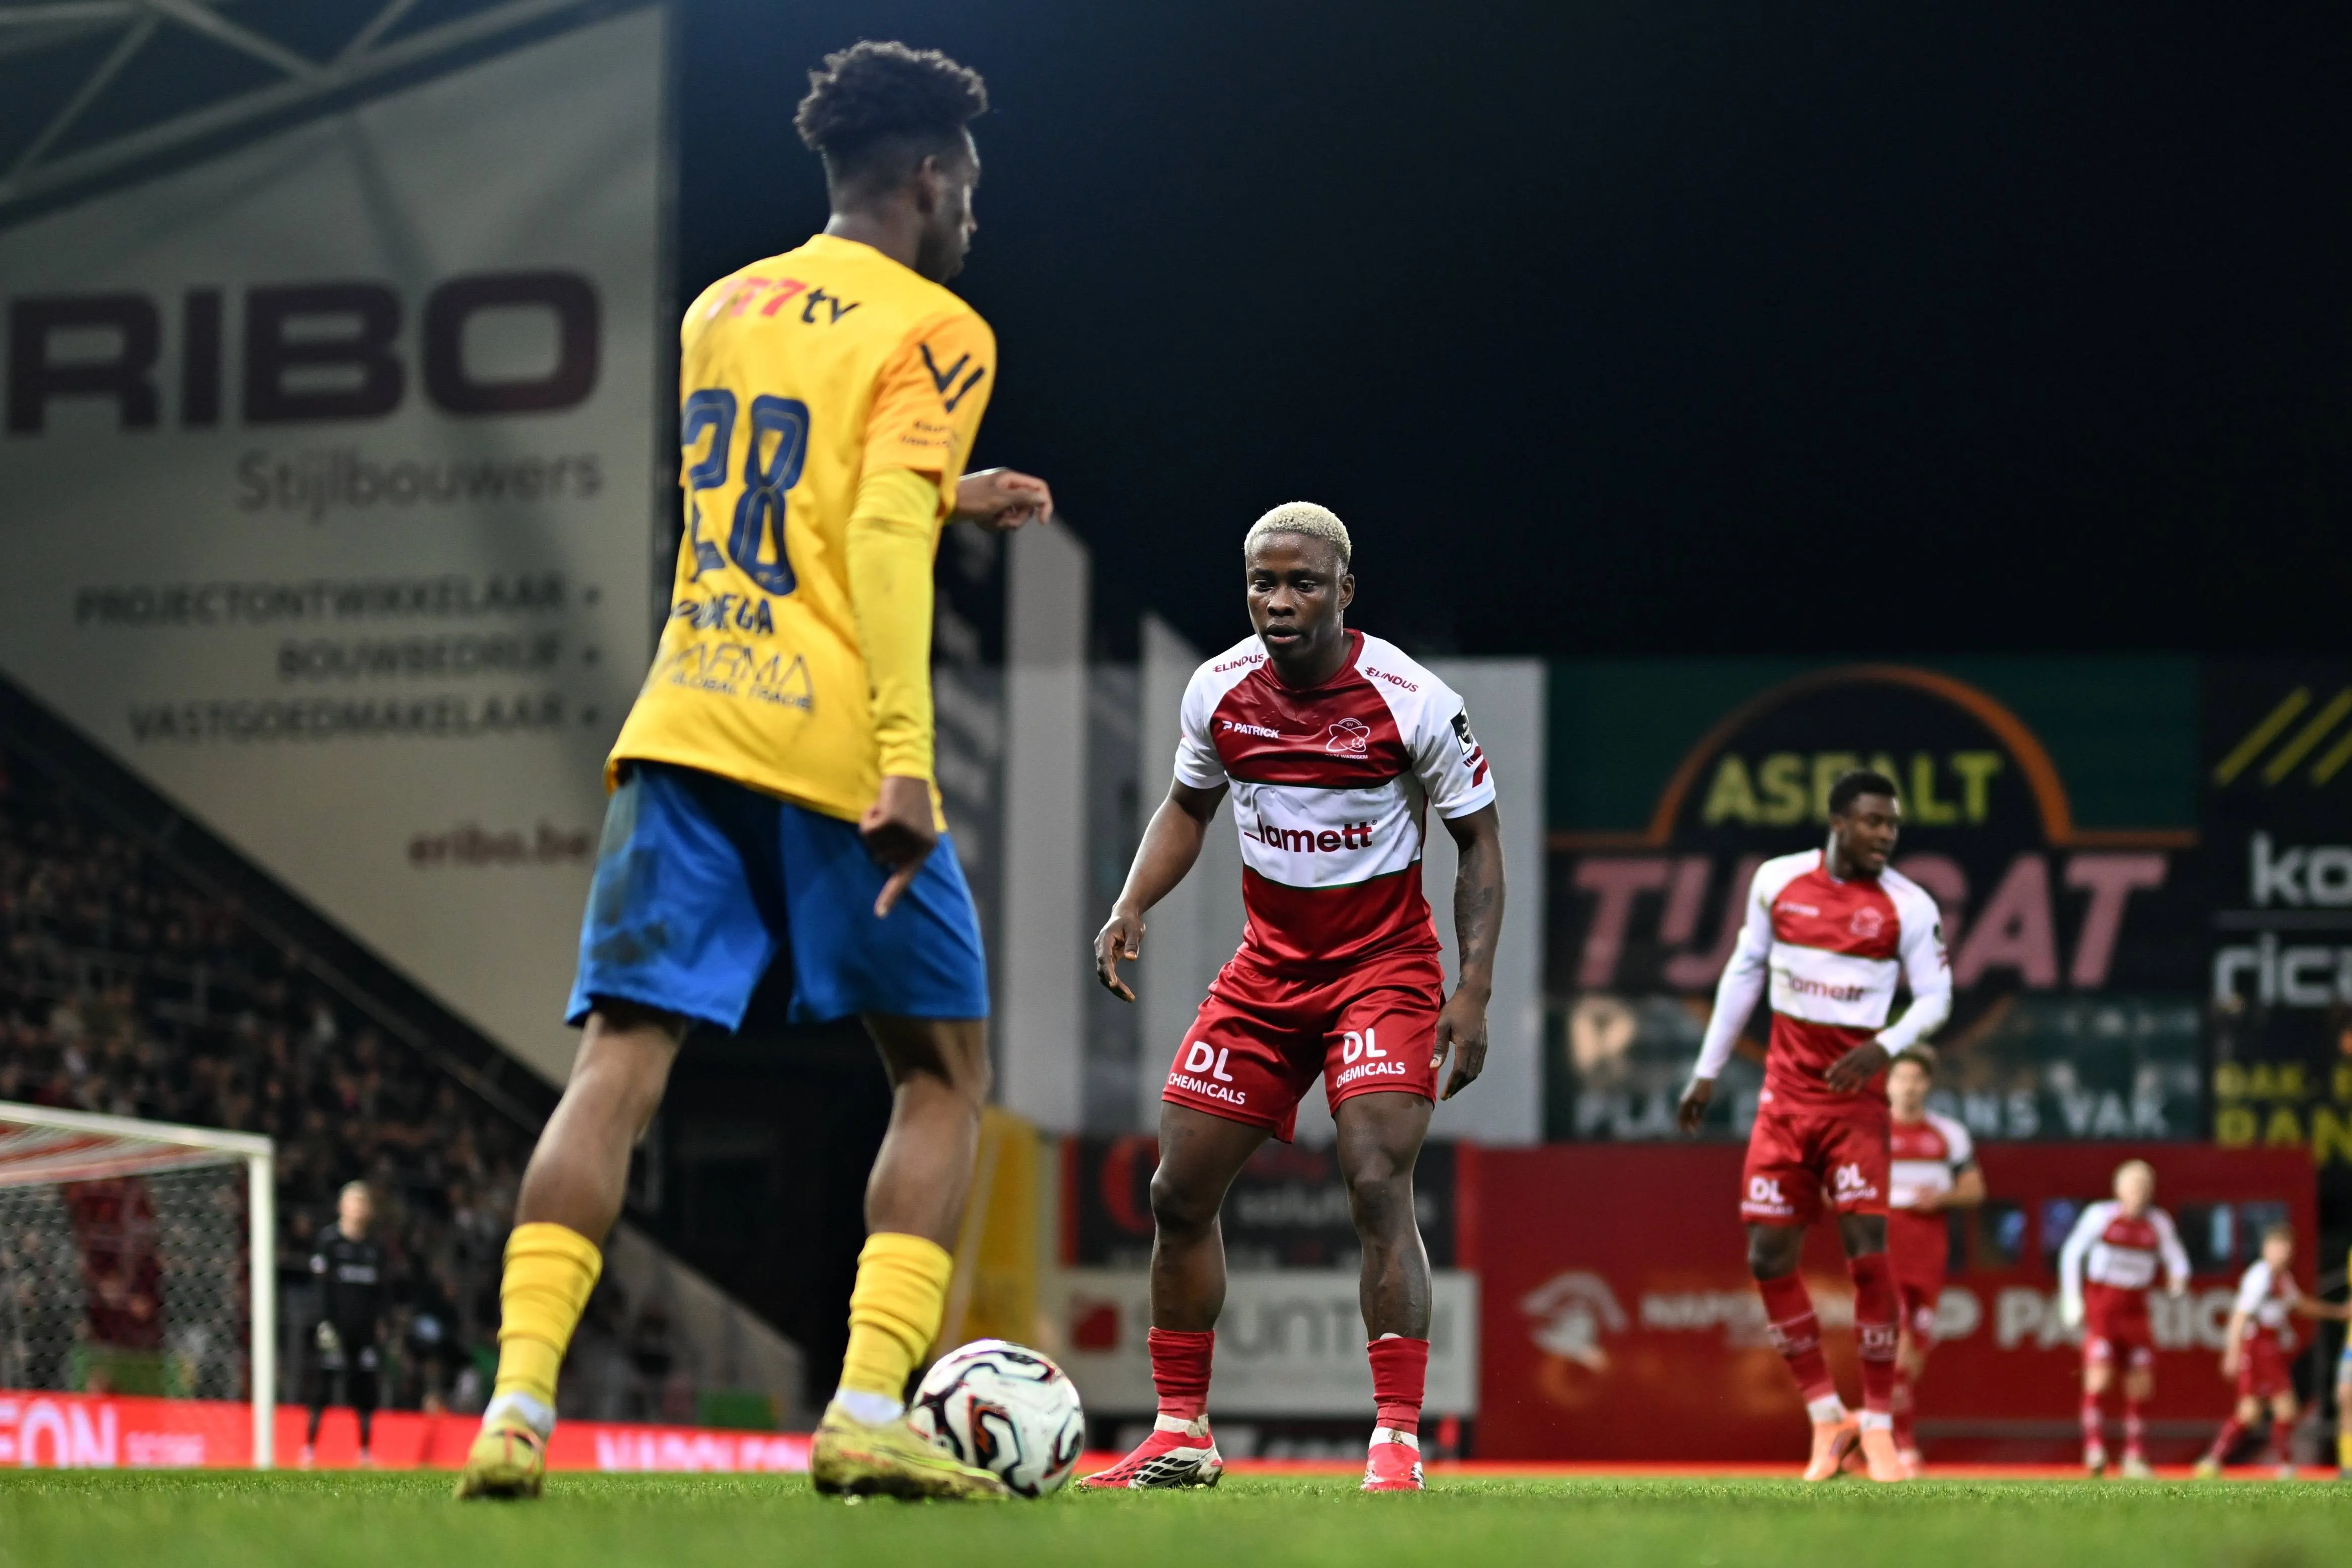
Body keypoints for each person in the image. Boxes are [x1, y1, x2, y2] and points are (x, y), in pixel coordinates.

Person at [456, 40, 1053, 1502]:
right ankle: (864, 1405)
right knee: (942, 1076)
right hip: (836, 744)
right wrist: (906, 761)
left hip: (684, 717)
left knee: (618, 1065)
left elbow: (782, 483)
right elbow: (865, 544)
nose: (971, 212)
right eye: (965, 186)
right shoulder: (939, 325)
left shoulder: (722, 303)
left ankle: (515, 1408)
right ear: (928, 176)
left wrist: (939, 495)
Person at [1078, 504, 1506, 1494]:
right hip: (1267, 973)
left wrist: (1472, 989)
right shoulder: (1218, 691)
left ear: (1345, 590)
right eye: (1263, 583)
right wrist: (1132, 899)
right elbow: (1190, 805)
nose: (1279, 601)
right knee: (1177, 1193)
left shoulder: (1413, 699)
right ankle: (1181, 1428)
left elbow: (1478, 839)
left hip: (1383, 972)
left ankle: (1396, 1438)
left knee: (1372, 1179)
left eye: (1302, 583)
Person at [1676, 769, 1951, 1484]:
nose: (1885, 836)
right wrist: (1706, 1072)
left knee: (1866, 1252)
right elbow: (1743, 971)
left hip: (1854, 1106)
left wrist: (1883, 1045)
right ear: (1837, 822)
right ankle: (1829, 1419)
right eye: (1873, 823)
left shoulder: (1907, 907)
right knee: (1768, 1260)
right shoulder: (1776, 883)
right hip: (1783, 1103)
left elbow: (1936, 997)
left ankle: (1883, 1427)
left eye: (1892, 825)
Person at [1884, 1046, 1982, 1476]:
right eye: (1901, 1079)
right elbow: (1835, 1189)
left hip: (1929, 1251)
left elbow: (1976, 1190)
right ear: (1887, 1084)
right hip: (1884, 1247)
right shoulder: (1868, 1132)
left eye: (1916, 1080)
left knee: (1915, 1350)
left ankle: (1880, 1430)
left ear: (1927, 1085)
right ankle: (1901, 1444)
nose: (1908, 1087)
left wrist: (1941, 1197)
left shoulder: (1949, 1133)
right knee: (1897, 1343)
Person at [2058, 1159, 2189, 1477]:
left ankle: (2134, 1455)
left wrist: (2178, 1279)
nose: (2138, 1193)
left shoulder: (2158, 1223)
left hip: (2136, 1310)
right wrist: (2072, 1298)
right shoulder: (2101, 1216)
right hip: (2104, 1306)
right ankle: (2094, 1449)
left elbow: (2177, 1259)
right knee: (2099, 1379)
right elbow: (2072, 1253)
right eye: (2132, 1186)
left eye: (2144, 1187)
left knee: (2140, 1382)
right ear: (2118, 1189)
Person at [2196, 1222, 2349, 1478]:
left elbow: (2300, 1305)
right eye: (2278, 1247)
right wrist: (2232, 1353)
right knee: (2279, 1409)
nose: (2283, 1253)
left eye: (2287, 1248)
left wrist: (2337, 1313)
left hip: (2268, 1348)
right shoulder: (2260, 1277)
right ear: (2266, 1249)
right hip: (2256, 1348)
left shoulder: (2282, 1279)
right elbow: (2240, 1316)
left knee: (2253, 1412)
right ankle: (2283, 1465)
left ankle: (2213, 1461)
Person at [304, 1181, 386, 1467]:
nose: (358, 1208)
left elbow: (380, 1292)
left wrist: (380, 1324)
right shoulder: (329, 1242)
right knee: (323, 1388)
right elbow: (319, 1289)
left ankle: (364, 1453)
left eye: (363, 1203)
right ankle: (309, 1450)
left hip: (364, 1332)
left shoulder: (374, 1248)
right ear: (342, 1207)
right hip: (334, 1330)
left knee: (364, 1391)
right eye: (353, 1202)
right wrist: (323, 1323)